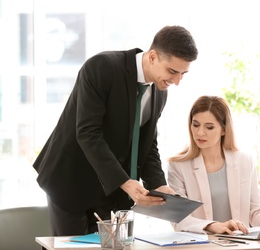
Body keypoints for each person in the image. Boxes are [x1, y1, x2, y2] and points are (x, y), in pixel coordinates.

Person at [33, 25, 198, 236]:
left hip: (111, 191)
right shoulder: (103, 67)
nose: (176, 82)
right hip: (71, 180)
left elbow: (148, 143)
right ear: (153, 57)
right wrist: (124, 182)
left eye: (183, 74)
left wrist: (159, 185)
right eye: (172, 71)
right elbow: (88, 132)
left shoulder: (160, 91)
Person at [167, 96, 260, 235]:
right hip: (202, 245)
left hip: (240, 244)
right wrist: (213, 226)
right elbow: (178, 218)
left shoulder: (244, 160)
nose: (200, 132)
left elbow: (256, 211)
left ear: (224, 130)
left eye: (209, 127)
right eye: (195, 125)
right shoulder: (178, 166)